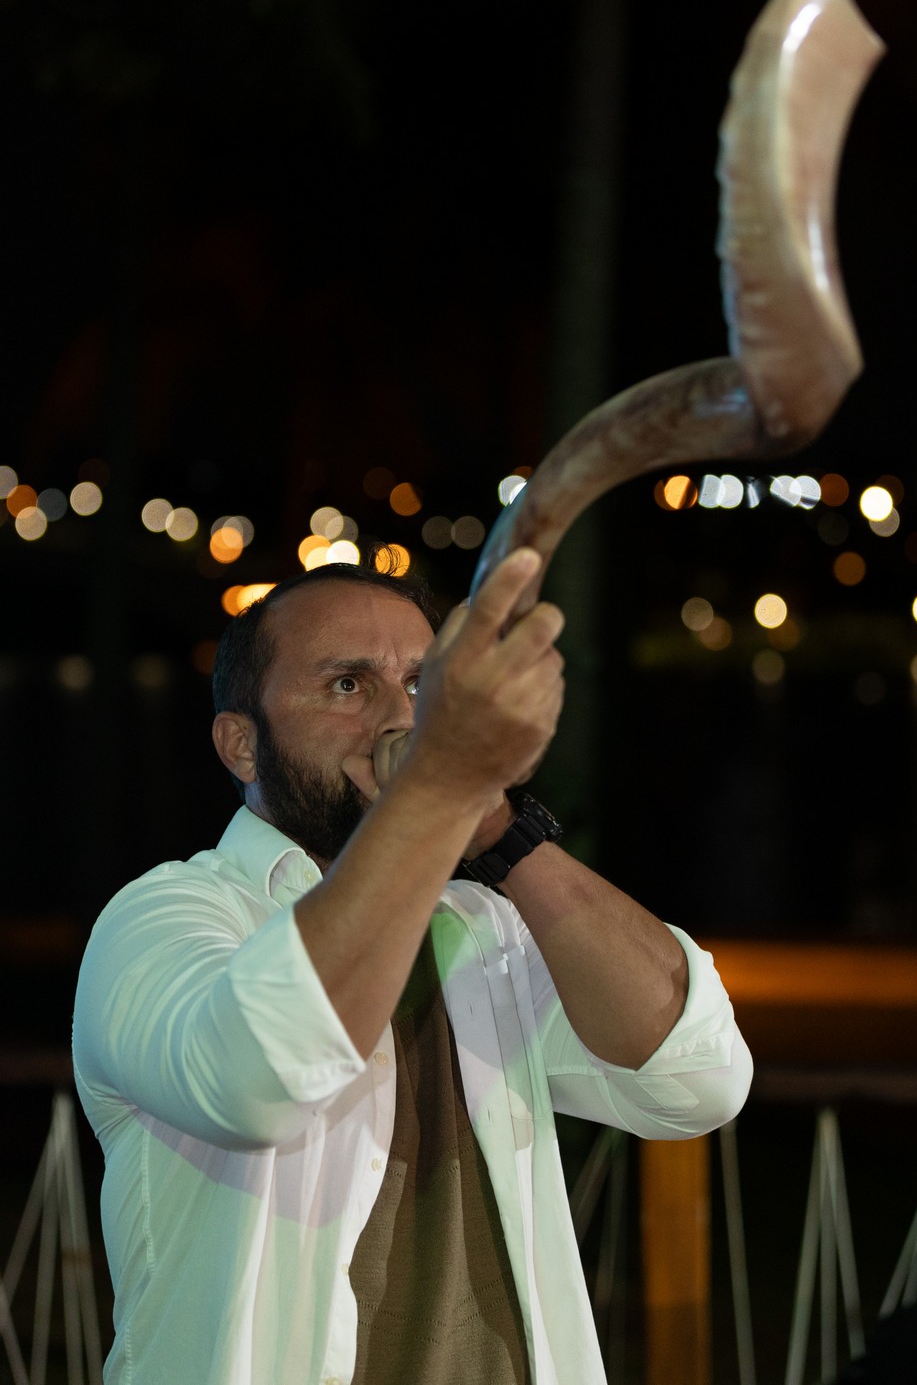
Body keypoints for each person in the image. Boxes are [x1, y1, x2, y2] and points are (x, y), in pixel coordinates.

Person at [73, 547, 752, 1385]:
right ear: (241, 746)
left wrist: (501, 829)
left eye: (422, 687)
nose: (403, 721)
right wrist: (432, 794)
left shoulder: (483, 926)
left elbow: (697, 1081)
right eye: (347, 685)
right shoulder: (162, 919)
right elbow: (255, 1082)